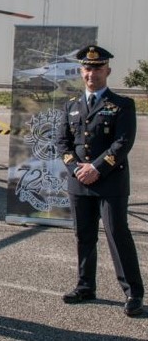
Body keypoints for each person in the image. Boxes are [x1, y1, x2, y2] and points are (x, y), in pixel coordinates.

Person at [56, 44, 144, 317]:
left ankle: (133, 293)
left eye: (97, 68)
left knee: (117, 234)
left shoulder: (122, 105)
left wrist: (96, 168)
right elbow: (62, 143)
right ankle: (85, 286)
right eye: (87, 68)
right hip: (79, 182)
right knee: (84, 235)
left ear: (107, 71)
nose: (91, 74)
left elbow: (123, 142)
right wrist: (76, 169)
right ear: (81, 71)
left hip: (110, 182)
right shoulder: (71, 105)